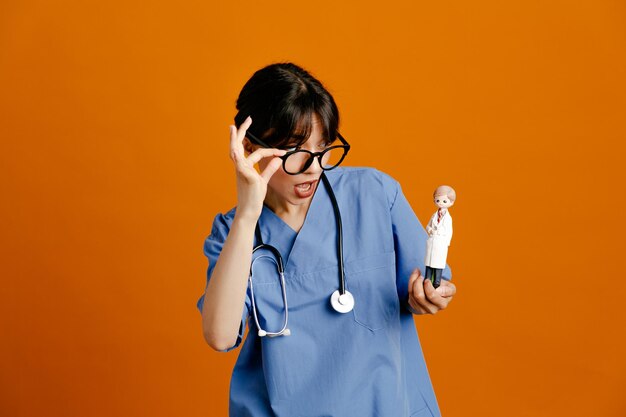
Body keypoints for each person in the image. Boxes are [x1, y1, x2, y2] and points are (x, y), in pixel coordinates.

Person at [197, 62, 457, 417]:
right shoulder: (233, 233)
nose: (314, 167)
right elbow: (221, 336)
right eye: (295, 151)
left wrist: (429, 296)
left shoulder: (374, 194)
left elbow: (427, 287)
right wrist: (247, 213)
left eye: (322, 149)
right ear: (248, 145)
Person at [424, 185, 456, 289]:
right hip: (433, 240)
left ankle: (436, 283)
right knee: (429, 263)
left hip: (441, 243)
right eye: (438, 200)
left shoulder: (448, 218)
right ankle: (427, 279)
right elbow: (428, 226)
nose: (441, 203)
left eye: (444, 201)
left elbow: (449, 232)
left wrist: (446, 244)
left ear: (451, 202)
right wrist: (431, 230)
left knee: (438, 264)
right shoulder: (434, 215)